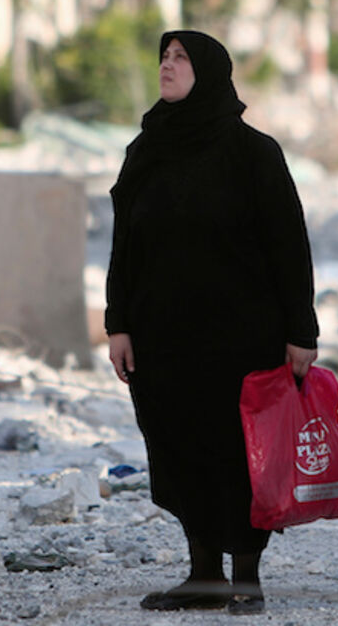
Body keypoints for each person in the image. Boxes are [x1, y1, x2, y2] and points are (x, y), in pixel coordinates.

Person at [105, 30, 319, 615]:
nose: (167, 66)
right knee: (178, 447)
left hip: (241, 336)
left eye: (180, 58)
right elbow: (124, 246)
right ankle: (203, 575)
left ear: (210, 71)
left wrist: (302, 332)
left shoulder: (253, 152)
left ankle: (245, 575)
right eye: (163, 57)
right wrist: (116, 323)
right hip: (162, 337)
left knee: (239, 451)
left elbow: (288, 247)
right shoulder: (144, 150)